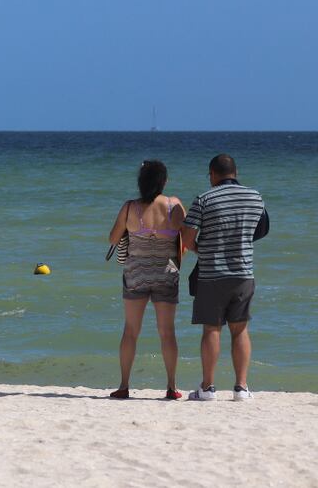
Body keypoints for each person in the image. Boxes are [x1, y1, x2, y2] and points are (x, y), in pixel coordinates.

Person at [181, 154, 269, 402]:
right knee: (240, 330)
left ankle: (207, 388)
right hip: (243, 273)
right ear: (236, 172)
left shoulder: (204, 199)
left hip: (211, 274)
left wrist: (202, 249)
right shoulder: (255, 197)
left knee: (211, 329)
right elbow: (260, 231)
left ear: (212, 174)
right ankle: (241, 388)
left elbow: (186, 239)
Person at [107, 160, 185, 400]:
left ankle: (123, 385)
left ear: (141, 182)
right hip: (165, 274)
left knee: (130, 331)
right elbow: (186, 242)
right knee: (167, 332)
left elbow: (112, 239)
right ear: (164, 181)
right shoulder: (175, 205)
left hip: (135, 274)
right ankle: (171, 387)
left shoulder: (130, 208)